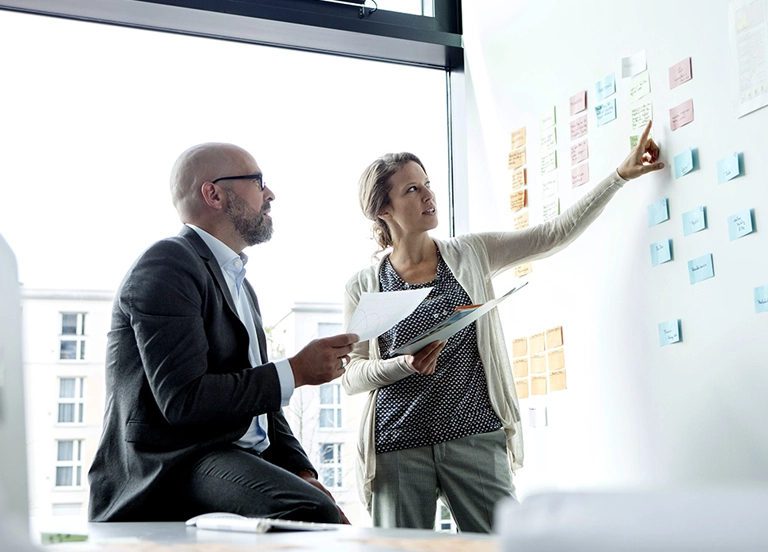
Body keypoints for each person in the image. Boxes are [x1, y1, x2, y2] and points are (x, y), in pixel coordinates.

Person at [342, 121, 664, 532]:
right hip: (396, 447)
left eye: (427, 184)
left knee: (500, 545)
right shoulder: (364, 286)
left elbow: (552, 234)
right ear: (383, 211)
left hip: (474, 435)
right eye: (412, 190)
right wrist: (402, 365)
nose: (428, 195)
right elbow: (352, 376)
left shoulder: (470, 254)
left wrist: (619, 176)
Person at [88, 142, 358, 523]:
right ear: (213, 193)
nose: (270, 194)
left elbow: (261, 403)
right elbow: (183, 400)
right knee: (309, 511)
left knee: (320, 505)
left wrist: (301, 470)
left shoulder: (241, 284)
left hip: (229, 457)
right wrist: (296, 371)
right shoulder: (168, 264)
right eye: (257, 181)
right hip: (174, 464)